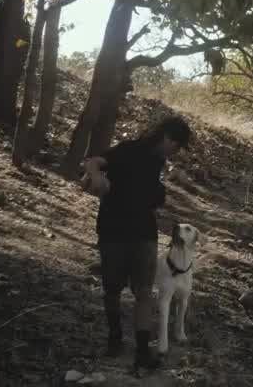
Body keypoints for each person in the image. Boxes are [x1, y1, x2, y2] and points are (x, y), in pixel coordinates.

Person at [79, 115, 192, 368]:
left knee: (143, 291)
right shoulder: (128, 149)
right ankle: (114, 337)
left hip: (144, 235)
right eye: (176, 145)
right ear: (167, 138)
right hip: (113, 232)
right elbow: (94, 162)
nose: (175, 151)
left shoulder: (159, 162)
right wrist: (95, 178)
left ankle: (142, 351)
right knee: (112, 289)